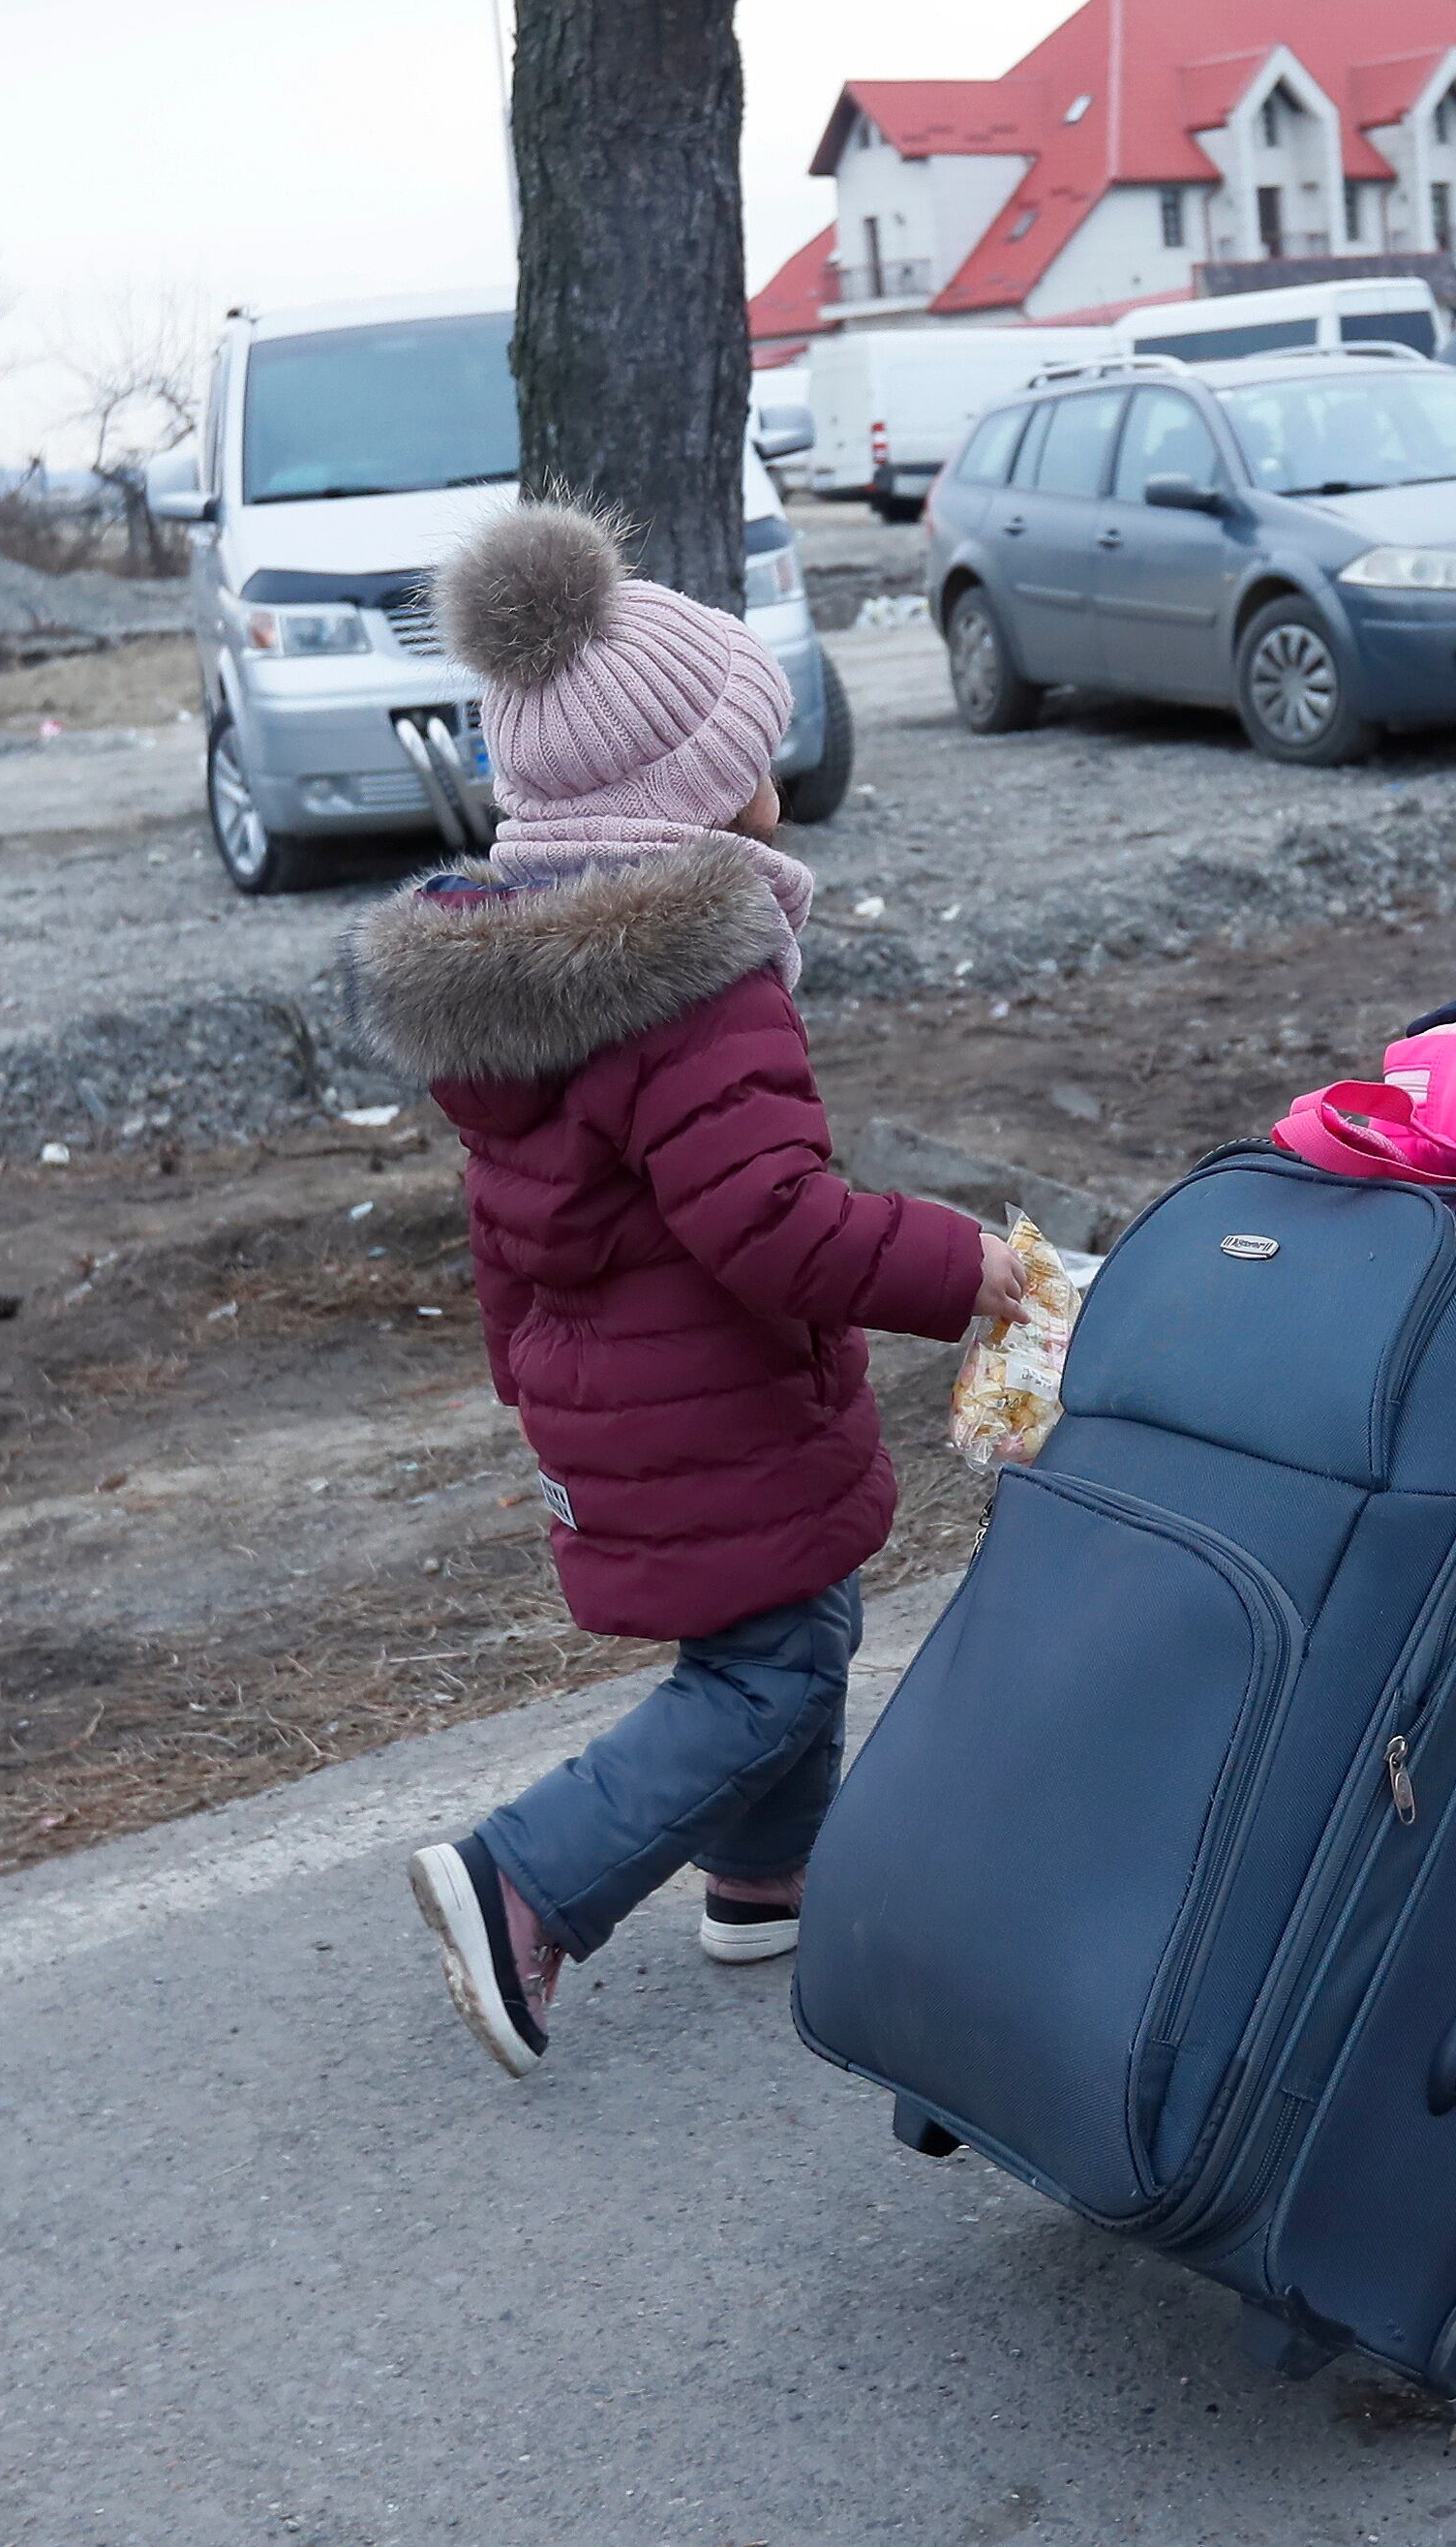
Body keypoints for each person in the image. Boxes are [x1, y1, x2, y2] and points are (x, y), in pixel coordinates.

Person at [355, 503, 1023, 2077]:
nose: (778, 783)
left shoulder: (527, 988)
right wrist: (969, 1272)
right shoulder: (695, 991)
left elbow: (500, 1222)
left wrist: (529, 1385)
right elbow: (779, 1226)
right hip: (711, 1391)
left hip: (616, 1393)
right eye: (757, 756)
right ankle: (523, 1881)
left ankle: (767, 1875)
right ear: (704, 801)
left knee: (788, 1624)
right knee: (768, 1663)